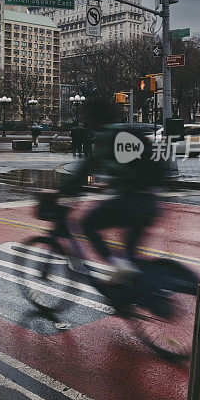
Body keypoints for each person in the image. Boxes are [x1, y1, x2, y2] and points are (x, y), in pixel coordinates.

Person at [58, 98, 166, 281]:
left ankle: (119, 267)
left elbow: (86, 168)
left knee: (87, 224)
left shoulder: (107, 135)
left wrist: (61, 191)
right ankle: (129, 292)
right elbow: (133, 167)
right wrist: (112, 183)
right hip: (150, 199)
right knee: (130, 259)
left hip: (133, 202)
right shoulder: (123, 130)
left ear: (94, 118)